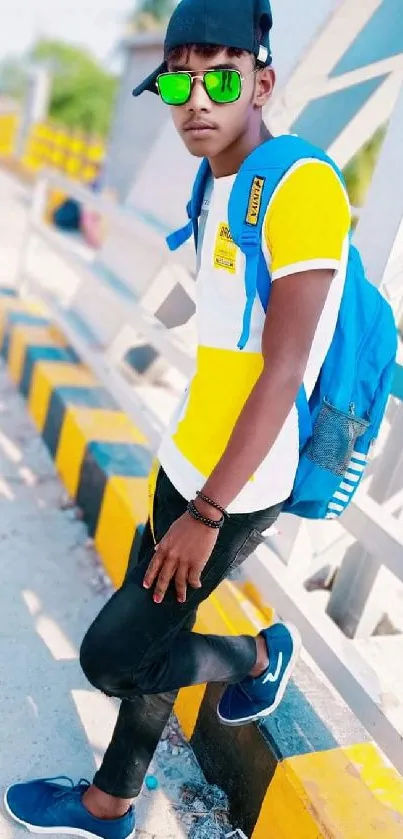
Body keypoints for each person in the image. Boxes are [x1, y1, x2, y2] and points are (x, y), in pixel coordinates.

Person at [4, 0, 351, 836]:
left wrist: (205, 514)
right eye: (177, 81)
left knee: (114, 654)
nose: (197, 99)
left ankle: (261, 654)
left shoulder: (298, 183)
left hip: (239, 477)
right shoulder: (215, 181)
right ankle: (110, 801)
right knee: (159, 621)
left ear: (261, 81)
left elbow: (281, 371)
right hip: (188, 450)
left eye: (222, 77)